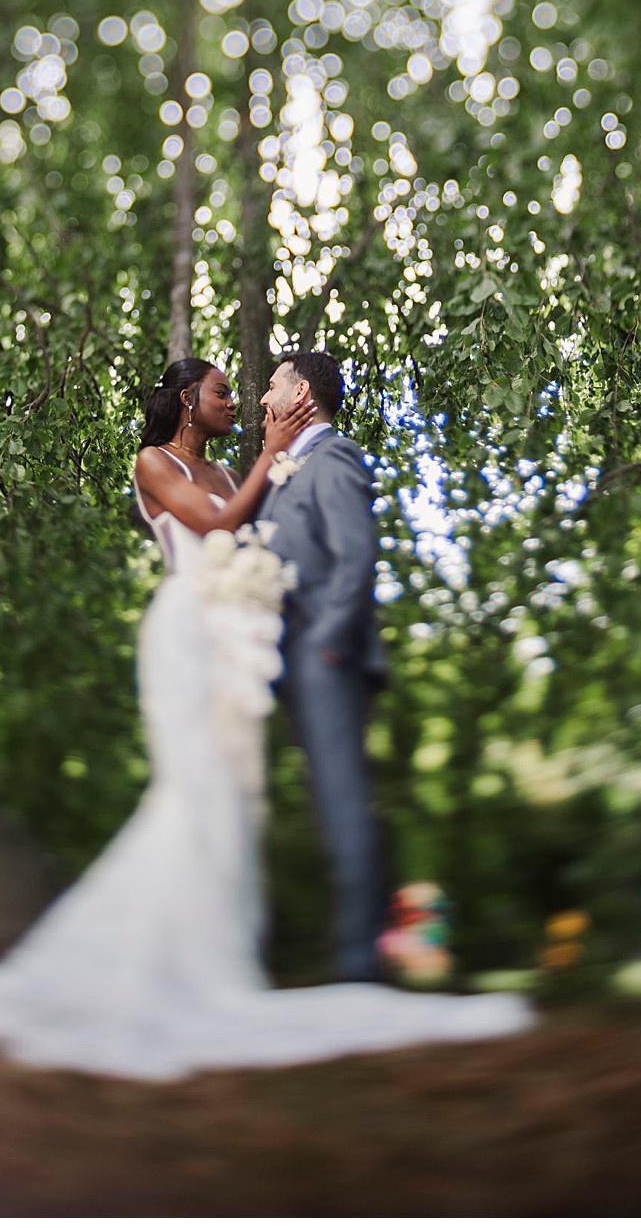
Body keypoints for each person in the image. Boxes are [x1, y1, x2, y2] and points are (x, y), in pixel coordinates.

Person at [0, 358, 531, 1081]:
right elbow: (221, 521)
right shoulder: (153, 463)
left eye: (244, 393)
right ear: (188, 402)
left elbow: (259, 534)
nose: (235, 401)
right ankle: (157, 964)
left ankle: (212, 956)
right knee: (190, 789)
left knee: (227, 796)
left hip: (228, 637)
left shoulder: (236, 463)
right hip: (181, 634)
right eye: (223, 393)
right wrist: (272, 451)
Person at [256, 349, 388, 983]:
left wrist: (329, 643)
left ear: (302, 391)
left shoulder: (331, 457)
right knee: (325, 807)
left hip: (324, 657)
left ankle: (360, 964)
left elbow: (355, 557)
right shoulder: (287, 468)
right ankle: (346, 954)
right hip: (291, 663)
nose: (261, 399)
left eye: (272, 385)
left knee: (343, 803)